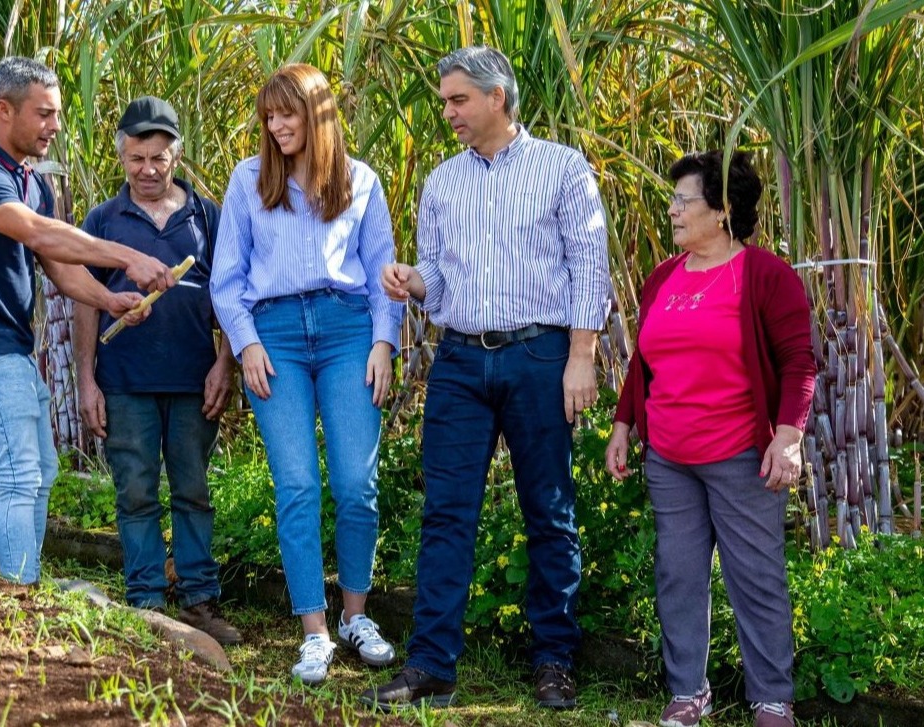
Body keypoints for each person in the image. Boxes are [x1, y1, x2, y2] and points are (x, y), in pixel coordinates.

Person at [362, 46, 611, 711]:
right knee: (446, 513)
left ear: (497, 97)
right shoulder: (442, 181)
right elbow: (438, 281)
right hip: (461, 360)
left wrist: (581, 355)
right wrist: (415, 282)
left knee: (549, 510)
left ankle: (554, 660)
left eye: (457, 100)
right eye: (445, 101)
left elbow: (589, 267)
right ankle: (433, 666)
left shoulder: (562, 169)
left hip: (540, 357)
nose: (447, 112)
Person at [0, 57, 175, 585]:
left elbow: (62, 272)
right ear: (4, 110)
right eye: (44, 114)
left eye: (58, 114)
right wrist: (127, 258)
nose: (56, 126)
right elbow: (44, 237)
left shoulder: (31, 183)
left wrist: (111, 301)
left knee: (40, 472)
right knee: (20, 474)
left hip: (12, 352)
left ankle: (24, 584)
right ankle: (18, 593)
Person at [604, 151, 815, 727]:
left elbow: (800, 362)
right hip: (670, 456)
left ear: (722, 211)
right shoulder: (662, 278)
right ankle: (688, 693)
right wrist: (623, 425)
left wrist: (789, 437)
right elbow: (642, 364)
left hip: (741, 454)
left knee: (756, 576)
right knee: (678, 574)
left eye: (683, 200)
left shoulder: (766, 275)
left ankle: (772, 698)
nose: (671, 210)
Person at [210, 63, 403, 685]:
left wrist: (383, 344)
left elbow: (384, 275)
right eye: (268, 115)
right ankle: (314, 632)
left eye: (286, 113)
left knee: (356, 484)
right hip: (276, 339)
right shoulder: (247, 181)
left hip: (348, 331)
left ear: (317, 115)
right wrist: (246, 345)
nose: (276, 125)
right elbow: (226, 280)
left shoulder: (360, 181)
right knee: (296, 484)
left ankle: (355, 616)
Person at [72, 96, 240, 645]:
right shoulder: (102, 221)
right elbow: (85, 302)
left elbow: (233, 295)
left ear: (177, 156)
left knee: (193, 490)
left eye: (158, 159)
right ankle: (145, 599)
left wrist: (225, 365)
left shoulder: (209, 217)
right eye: (136, 159)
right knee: (135, 491)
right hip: (124, 383)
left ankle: (199, 600)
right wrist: (86, 380)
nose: (147, 171)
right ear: (121, 157)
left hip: (195, 383)